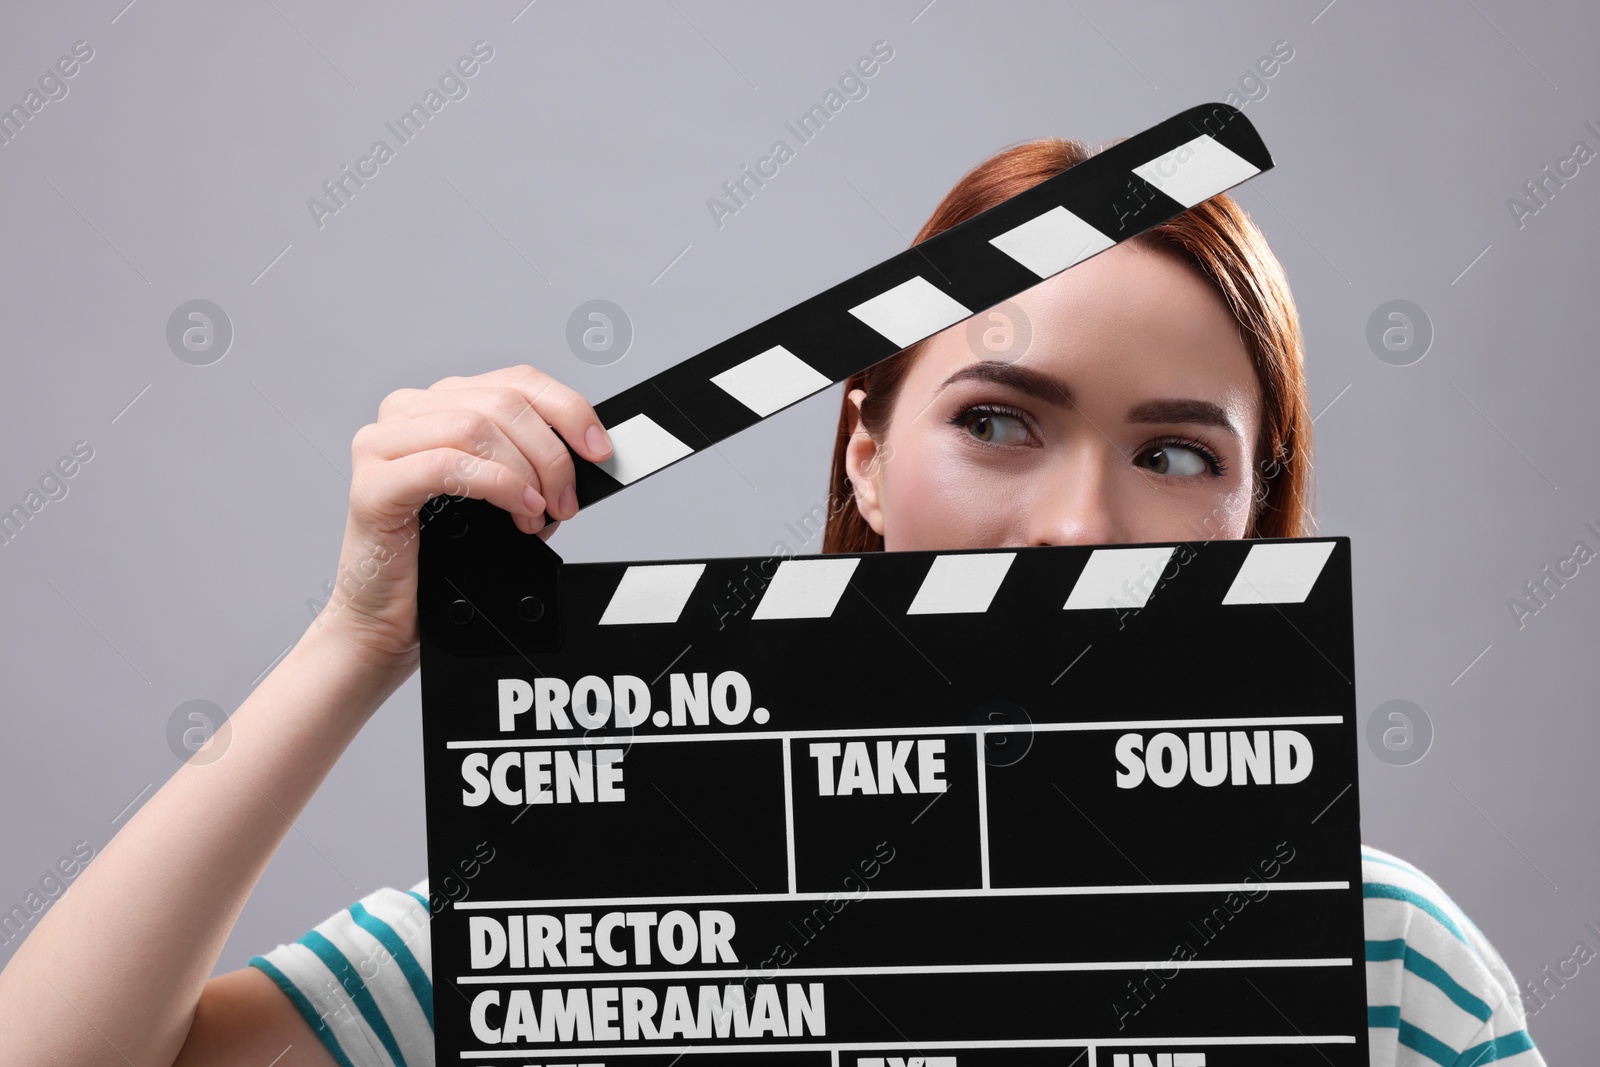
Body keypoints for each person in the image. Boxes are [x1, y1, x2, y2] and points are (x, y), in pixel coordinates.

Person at [0, 138, 1547, 1067]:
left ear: (1253, 519)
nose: (1081, 522)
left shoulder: (1380, 957)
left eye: (1174, 451)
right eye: (998, 419)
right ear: (865, 456)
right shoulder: (603, 917)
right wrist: (358, 638)